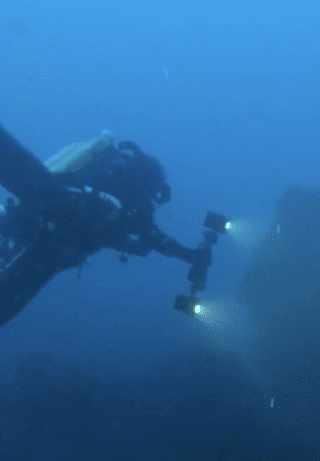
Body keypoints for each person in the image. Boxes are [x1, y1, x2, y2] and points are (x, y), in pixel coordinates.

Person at [0, 122, 226, 328]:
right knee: (8, 299)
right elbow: (150, 233)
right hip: (60, 233)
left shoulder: (112, 185)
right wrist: (188, 255)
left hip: (41, 217)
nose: (150, 200)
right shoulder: (133, 192)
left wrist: (130, 244)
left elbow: (119, 232)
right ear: (149, 181)